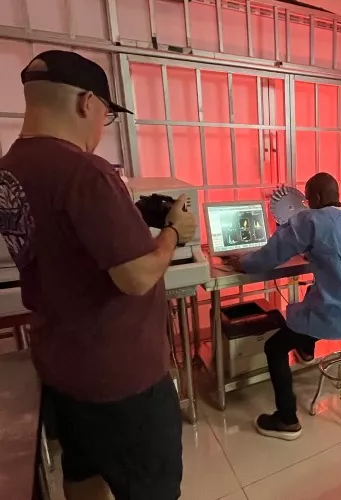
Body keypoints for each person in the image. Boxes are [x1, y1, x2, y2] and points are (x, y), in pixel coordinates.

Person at [0, 50, 196, 500]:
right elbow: (137, 277)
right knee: (151, 488)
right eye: (106, 115)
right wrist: (173, 233)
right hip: (121, 376)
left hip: (62, 367)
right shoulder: (85, 171)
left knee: (83, 473)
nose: (101, 128)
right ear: (87, 102)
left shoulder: (9, 170)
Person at [233, 173, 341, 441]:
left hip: (340, 315)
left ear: (317, 198)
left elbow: (268, 257)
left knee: (274, 347)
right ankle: (306, 349)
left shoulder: (311, 221)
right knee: (312, 292)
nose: (306, 204)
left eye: (307, 199)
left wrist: (241, 262)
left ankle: (286, 419)